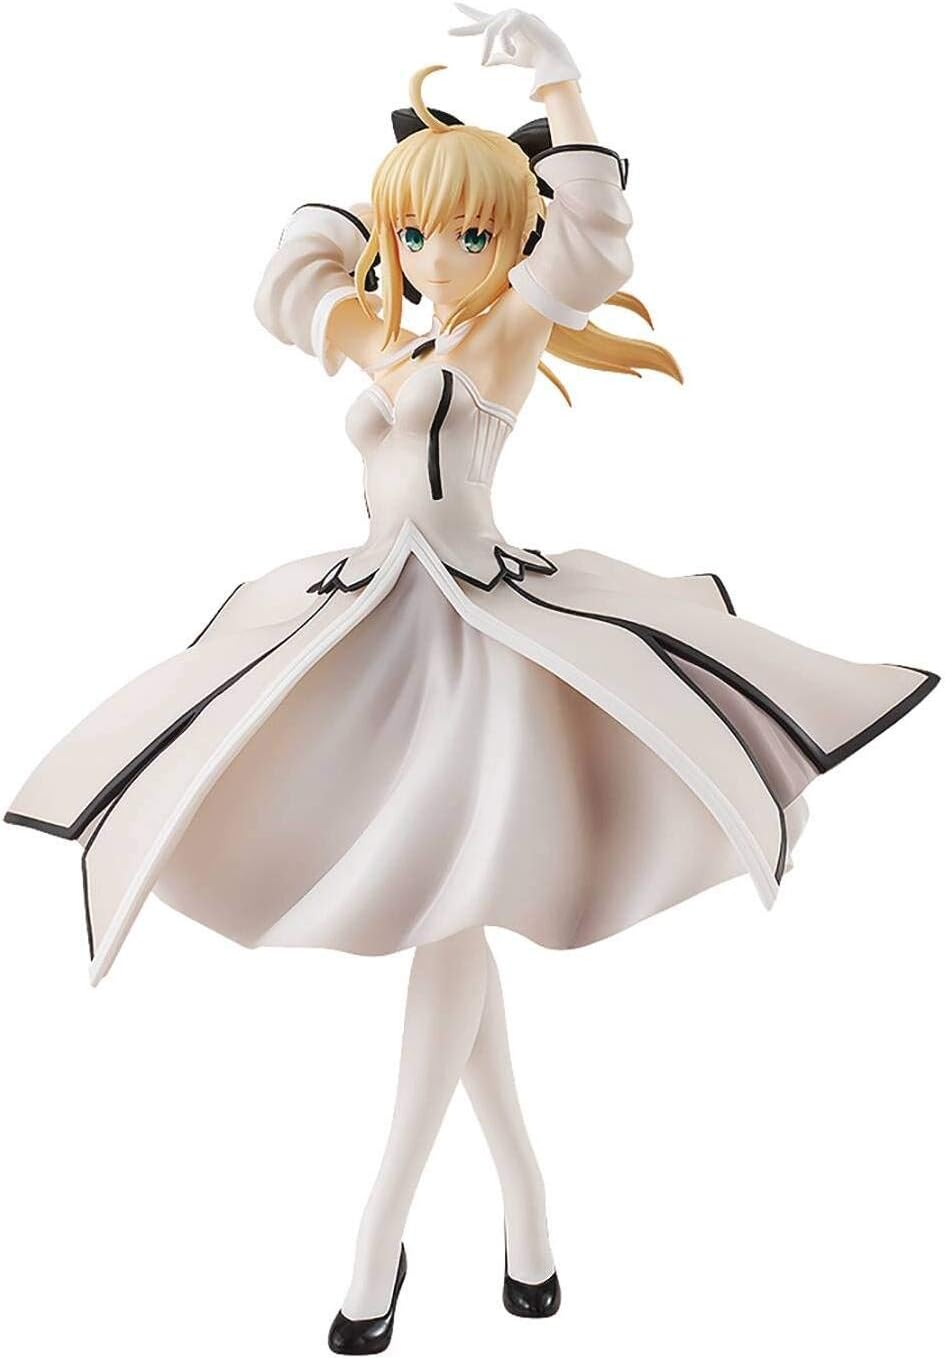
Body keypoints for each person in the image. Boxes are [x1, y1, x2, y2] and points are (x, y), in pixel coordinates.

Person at [4, 7, 937, 1355]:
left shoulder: (502, 340)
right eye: (418, 239)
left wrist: (561, 79)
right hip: (370, 628)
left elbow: (594, 242)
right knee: (441, 917)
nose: (439, 263)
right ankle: (530, 1221)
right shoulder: (385, 341)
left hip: (480, 644)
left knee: (449, 918)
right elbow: (287, 276)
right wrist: (388, 199)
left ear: (510, 243)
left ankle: (373, 1244)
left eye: (472, 238)